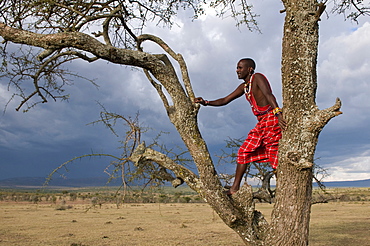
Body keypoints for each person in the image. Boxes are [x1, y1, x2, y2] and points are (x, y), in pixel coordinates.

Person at [194, 58, 287, 195]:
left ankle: (283, 191)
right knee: (243, 152)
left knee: (275, 158)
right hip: (261, 123)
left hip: (271, 120)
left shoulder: (258, 78)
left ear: (249, 69)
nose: (237, 71)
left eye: (240, 68)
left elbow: (268, 95)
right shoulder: (244, 87)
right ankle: (234, 189)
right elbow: (225, 100)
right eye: (237, 68)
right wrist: (206, 102)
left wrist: (278, 114)